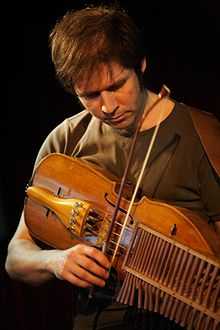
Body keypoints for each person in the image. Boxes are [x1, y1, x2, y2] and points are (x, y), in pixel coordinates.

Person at [5, 4, 220, 330]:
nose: (107, 106)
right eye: (89, 95)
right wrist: (55, 262)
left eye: (117, 86)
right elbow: (16, 257)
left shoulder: (201, 134)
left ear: (141, 65)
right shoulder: (65, 141)